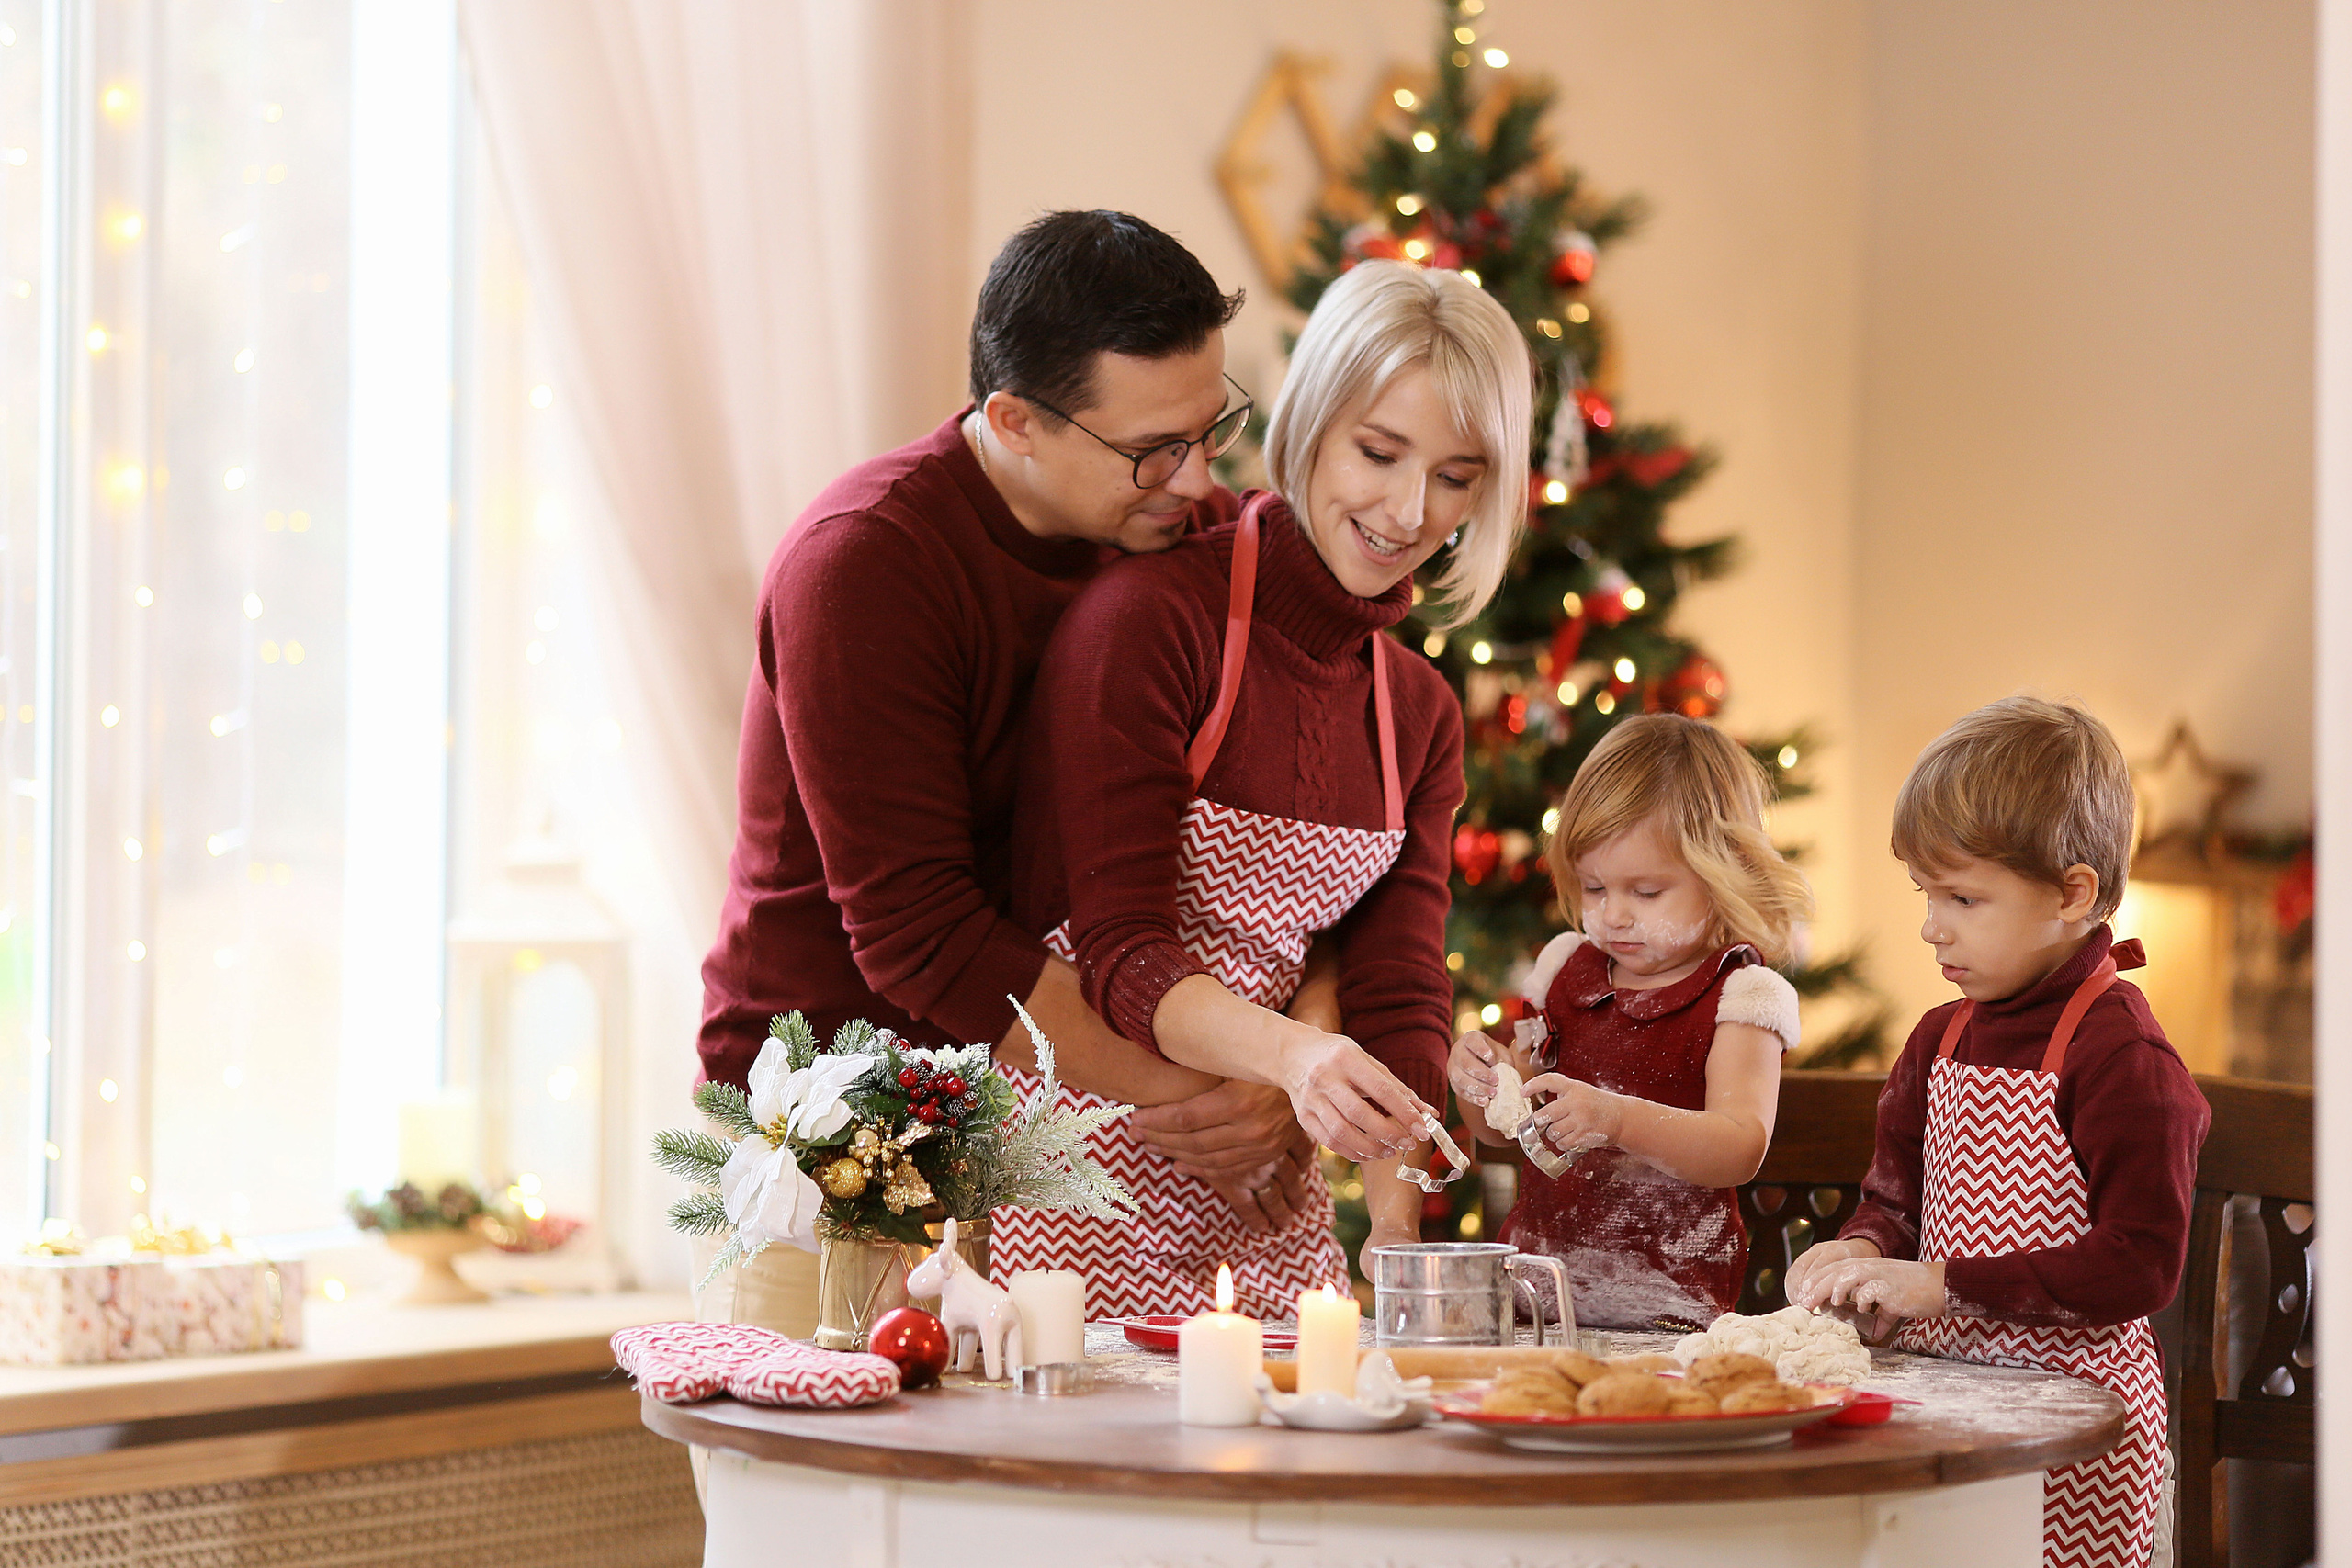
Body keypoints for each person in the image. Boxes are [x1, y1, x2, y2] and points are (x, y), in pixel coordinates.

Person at [696, 212, 1330, 1332]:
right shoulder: (865, 565)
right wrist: (1218, 1091)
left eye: (1213, 427)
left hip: (1083, 1115)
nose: (1197, 480)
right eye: (1152, 449)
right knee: (847, 1500)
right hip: (844, 1134)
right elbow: (923, 935)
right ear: (1014, 422)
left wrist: (1284, 1070)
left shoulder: (1194, 540)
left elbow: (1312, 840)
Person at [1002, 259, 1532, 1314]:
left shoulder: (1418, 714)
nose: (1407, 510)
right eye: (1378, 453)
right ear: (1312, 424)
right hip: (1070, 1168)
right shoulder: (1150, 624)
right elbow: (1121, 952)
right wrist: (1297, 1064)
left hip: (1266, 1194)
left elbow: (1398, 990)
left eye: (1457, 475)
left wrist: (1391, 1236)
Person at [1787, 696, 2208, 1568]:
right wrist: (1863, 1249)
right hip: (1945, 1405)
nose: (1931, 924)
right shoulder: (1938, 1038)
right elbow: (1895, 1198)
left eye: (1964, 897)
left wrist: (1939, 1285)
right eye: (1925, 892)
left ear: (2073, 893)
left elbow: (2141, 1264)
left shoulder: (2122, 1055)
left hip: (2077, 1428)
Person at [1449, 714, 1810, 1329]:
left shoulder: (1742, 995)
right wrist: (1485, 1081)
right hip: (1532, 1308)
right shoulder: (1566, 969)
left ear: (1725, 873)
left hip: (1668, 1314)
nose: (1613, 915)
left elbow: (1740, 1145)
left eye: (1646, 892)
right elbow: (1498, 1133)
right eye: (1594, 887)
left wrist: (1616, 1118)